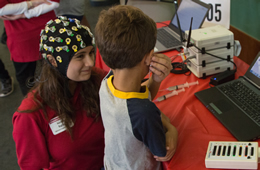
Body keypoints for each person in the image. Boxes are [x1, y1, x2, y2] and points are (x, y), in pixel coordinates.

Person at [12, 17, 106, 169]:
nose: (90, 62)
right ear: (53, 60)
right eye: (80, 56)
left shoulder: (95, 78)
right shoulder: (31, 114)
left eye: (91, 53)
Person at [95, 5, 178, 170]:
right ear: (148, 57)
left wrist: (156, 80)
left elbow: (136, 99)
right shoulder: (144, 112)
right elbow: (162, 152)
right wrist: (171, 129)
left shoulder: (107, 81)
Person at [0, 0, 59, 96]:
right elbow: (53, 3)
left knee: (28, 78)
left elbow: (2, 10)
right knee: (55, 69)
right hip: (43, 27)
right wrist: (31, 5)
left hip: (22, 32)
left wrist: (26, 11)